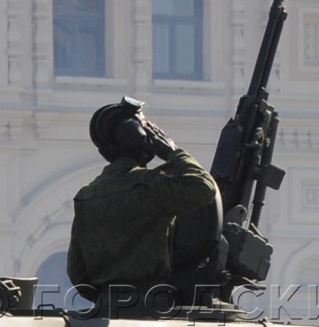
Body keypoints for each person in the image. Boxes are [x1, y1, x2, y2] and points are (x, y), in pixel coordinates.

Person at [66, 97, 219, 310]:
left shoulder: (86, 196)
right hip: (153, 308)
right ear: (138, 138)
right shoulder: (150, 186)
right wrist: (172, 151)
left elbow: (78, 272)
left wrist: (109, 300)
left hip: (105, 308)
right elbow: (204, 187)